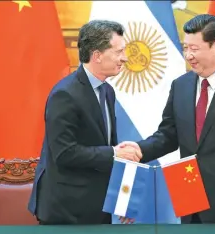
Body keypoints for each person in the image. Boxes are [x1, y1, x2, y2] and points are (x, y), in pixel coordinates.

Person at [120, 14, 215, 224]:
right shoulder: (181, 85)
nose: (188, 55)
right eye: (185, 48)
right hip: (189, 195)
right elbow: (168, 135)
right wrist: (140, 150)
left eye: (194, 49)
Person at [27, 20, 142, 225]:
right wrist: (115, 152)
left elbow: (106, 149)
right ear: (97, 56)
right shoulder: (65, 94)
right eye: (118, 52)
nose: (124, 58)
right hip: (67, 210)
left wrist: (121, 201)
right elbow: (64, 153)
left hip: (98, 206)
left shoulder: (107, 90)